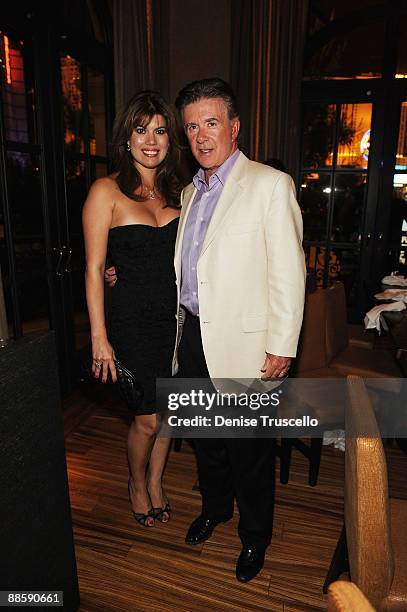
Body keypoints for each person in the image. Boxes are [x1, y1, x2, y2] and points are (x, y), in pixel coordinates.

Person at [173, 78, 306, 582]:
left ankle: (254, 538)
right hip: (192, 341)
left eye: (210, 123)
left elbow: (289, 275)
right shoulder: (189, 193)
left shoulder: (271, 185)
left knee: (249, 452)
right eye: (191, 127)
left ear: (234, 127)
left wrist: (282, 346)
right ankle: (215, 509)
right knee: (206, 441)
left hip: (247, 347)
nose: (201, 136)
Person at [82, 91, 184, 527]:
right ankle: (136, 483)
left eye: (160, 130)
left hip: (177, 324)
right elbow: (92, 269)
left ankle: (158, 481)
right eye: (141, 130)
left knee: (170, 415)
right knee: (146, 419)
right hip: (131, 325)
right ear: (126, 138)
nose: (151, 140)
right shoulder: (106, 191)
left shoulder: (183, 193)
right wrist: (99, 338)